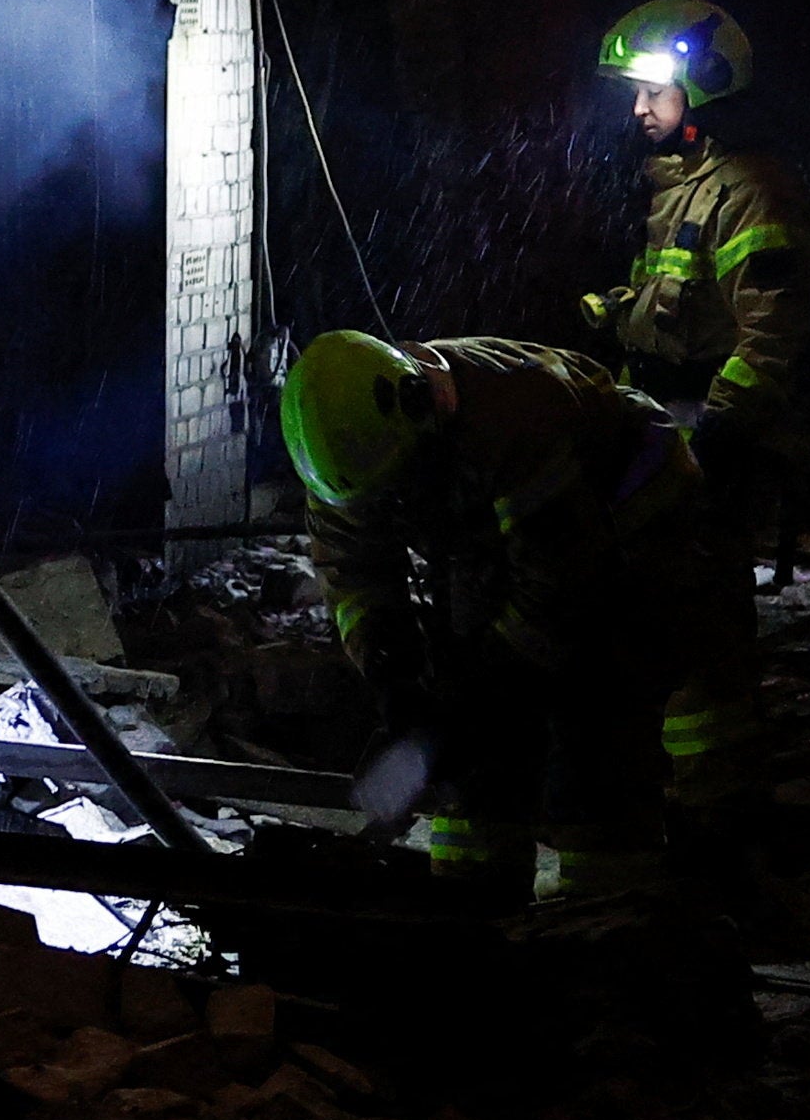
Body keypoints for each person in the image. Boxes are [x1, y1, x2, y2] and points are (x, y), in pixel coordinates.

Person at [278, 328, 757, 906]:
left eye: (404, 487)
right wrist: (394, 678)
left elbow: (560, 591)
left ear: (424, 407)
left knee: (595, 711)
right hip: (496, 540)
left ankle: (627, 909)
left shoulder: (515, 417)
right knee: (478, 752)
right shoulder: (348, 465)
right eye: (381, 500)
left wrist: (478, 698)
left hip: (633, 514)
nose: (397, 506)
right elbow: (355, 580)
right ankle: (472, 910)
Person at [573, 0, 810, 814]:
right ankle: (680, 783)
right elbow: (689, 301)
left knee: (703, 618)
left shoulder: (749, 191)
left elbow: (770, 336)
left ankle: (721, 800)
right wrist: (620, 313)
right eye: (635, 92)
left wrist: (717, 432)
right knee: (655, 605)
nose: (638, 108)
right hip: (665, 424)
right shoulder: (681, 185)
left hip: (710, 436)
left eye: (656, 91)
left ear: (706, 91)